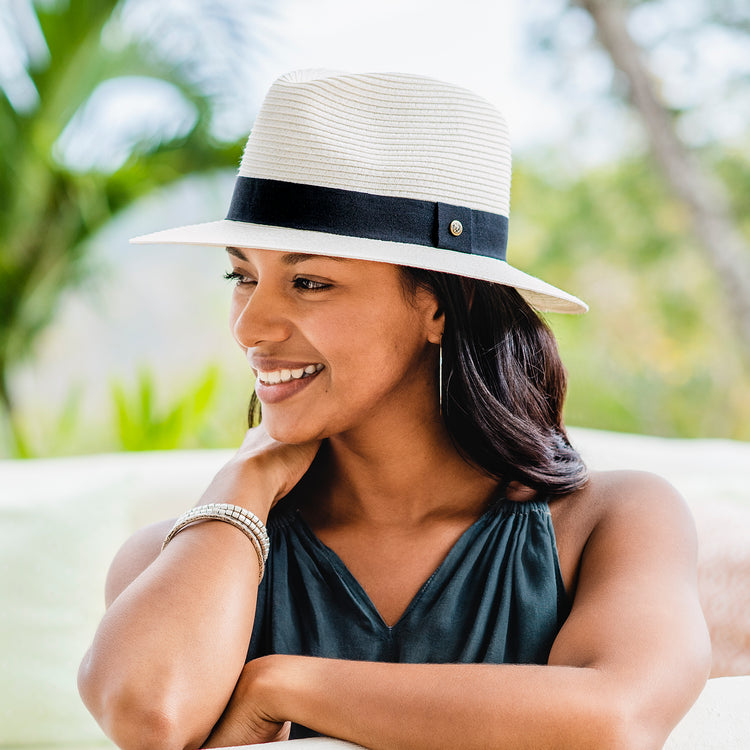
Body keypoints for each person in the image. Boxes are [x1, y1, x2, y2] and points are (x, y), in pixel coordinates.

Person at [78, 69, 710, 749]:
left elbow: (615, 721)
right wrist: (252, 473)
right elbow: (150, 719)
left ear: (441, 304)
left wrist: (280, 686)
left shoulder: (611, 522)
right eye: (243, 276)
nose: (250, 327)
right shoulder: (178, 559)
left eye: (309, 281)